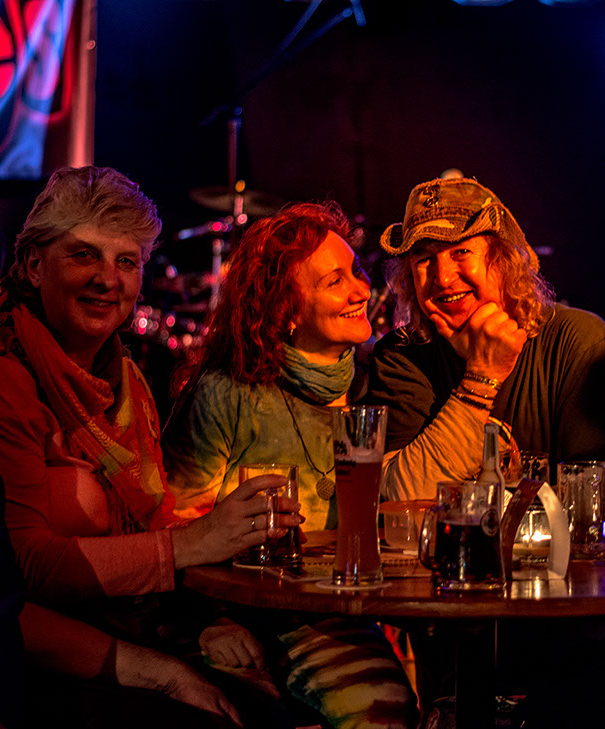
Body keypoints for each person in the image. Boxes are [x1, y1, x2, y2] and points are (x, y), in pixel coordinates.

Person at [0, 167, 296, 727]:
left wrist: (204, 620)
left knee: (273, 698)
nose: (108, 280)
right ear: (33, 265)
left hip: (131, 626)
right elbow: (22, 567)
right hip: (37, 660)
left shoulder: (128, 381)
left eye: (126, 261)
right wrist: (193, 545)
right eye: (83, 255)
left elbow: (151, 522)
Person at [162, 201, 419, 728]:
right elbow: (170, 525)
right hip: (229, 612)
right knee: (242, 712)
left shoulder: (377, 384)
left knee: (386, 711)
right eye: (334, 281)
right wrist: (208, 623)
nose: (360, 290)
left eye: (356, 272)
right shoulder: (227, 392)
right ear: (285, 309)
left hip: (327, 616)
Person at [369, 176, 605, 504]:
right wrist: (481, 378)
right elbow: (399, 499)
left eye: (461, 251)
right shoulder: (401, 354)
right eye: (423, 259)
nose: (443, 278)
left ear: (505, 260)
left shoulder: (577, 340)